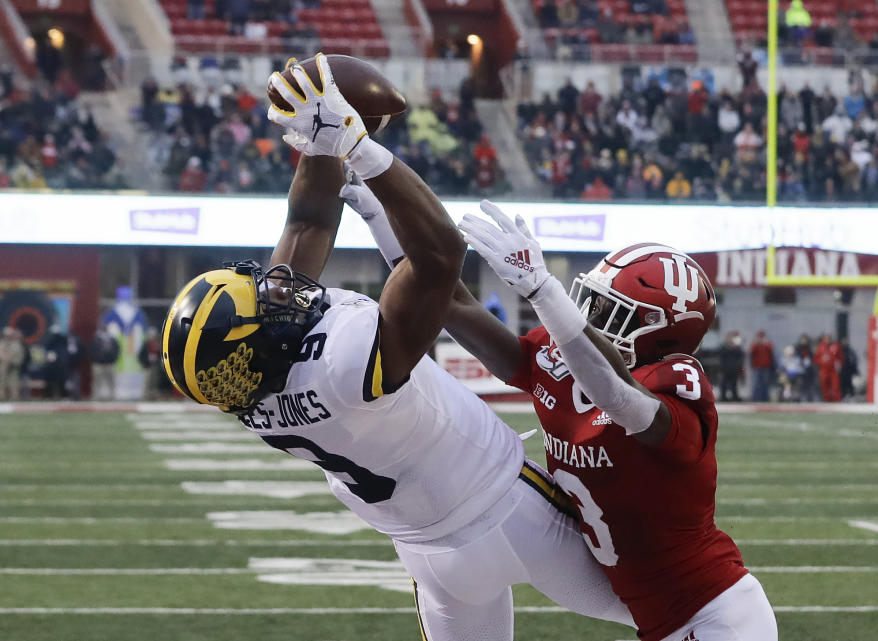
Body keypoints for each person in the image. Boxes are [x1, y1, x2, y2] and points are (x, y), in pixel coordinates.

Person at [160, 54, 634, 641]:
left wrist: (320, 140)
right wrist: (362, 149)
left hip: (427, 554)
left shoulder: (252, 384)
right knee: (690, 610)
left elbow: (308, 223)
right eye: (264, 299)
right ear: (255, 340)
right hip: (511, 513)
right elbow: (438, 262)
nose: (273, 286)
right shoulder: (340, 365)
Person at [348, 194, 777, 638]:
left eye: (609, 311)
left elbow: (616, 395)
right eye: (588, 302)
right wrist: (379, 208)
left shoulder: (678, 383)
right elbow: (449, 301)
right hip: (644, 606)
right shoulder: (561, 367)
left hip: (714, 610)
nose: (586, 317)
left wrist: (543, 289)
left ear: (661, 334)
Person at [88, 324, 120, 401]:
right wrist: (95, 359)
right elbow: (91, 350)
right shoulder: (96, 339)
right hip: (98, 364)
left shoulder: (112, 339)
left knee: (111, 382)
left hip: (110, 364)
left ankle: (112, 397)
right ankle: (96, 397)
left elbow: (117, 350)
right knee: (97, 382)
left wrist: (113, 359)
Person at [0, 327, 26, 401]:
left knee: (13, 383)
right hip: (2, 367)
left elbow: (19, 357)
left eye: (9, 335)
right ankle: (2, 397)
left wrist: (12, 360)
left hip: (13, 367)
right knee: (1, 383)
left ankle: (14, 398)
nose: (7, 337)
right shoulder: (1, 344)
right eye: (6, 335)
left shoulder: (16, 345)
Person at [749, 330, 775, 402]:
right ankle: (755, 398)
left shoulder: (768, 344)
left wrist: (765, 343)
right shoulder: (755, 345)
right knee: (757, 383)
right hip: (757, 367)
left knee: (765, 383)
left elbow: (771, 351)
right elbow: (752, 352)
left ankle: (765, 398)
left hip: (766, 367)